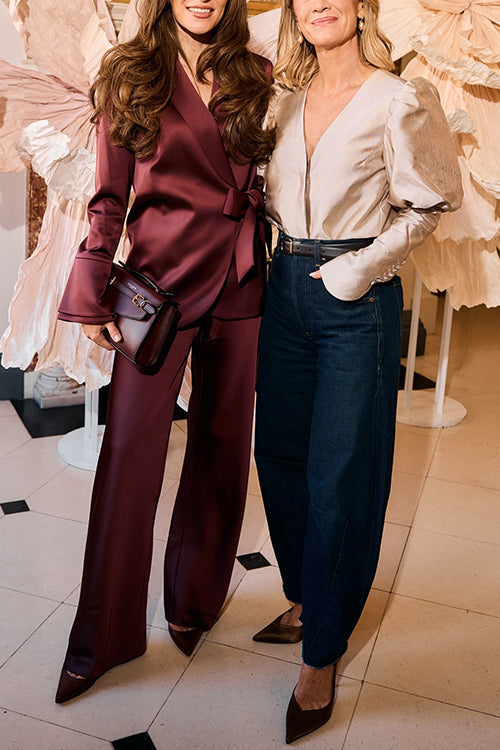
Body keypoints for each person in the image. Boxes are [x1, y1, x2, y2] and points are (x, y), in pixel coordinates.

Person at [252, 0, 462, 743]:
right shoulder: (282, 98)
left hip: (356, 298)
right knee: (278, 455)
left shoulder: (399, 98)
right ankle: (307, 595)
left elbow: (433, 201)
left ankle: (322, 650)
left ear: (364, 8)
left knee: (340, 475)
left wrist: (358, 269)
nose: (319, 4)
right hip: (283, 290)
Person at [55, 0, 274, 704]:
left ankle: (193, 602)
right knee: (128, 454)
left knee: (222, 447)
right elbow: (108, 198)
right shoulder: (130, 73)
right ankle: (102, 638)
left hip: (240, 280)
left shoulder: (257, 73)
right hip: (158, 291)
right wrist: (91, 285)